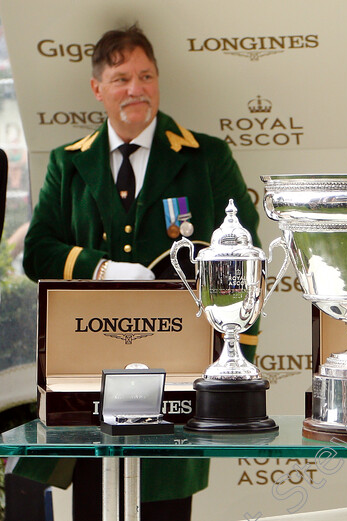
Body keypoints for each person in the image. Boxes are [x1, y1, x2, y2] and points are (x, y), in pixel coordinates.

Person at [18, 24, 261, 520]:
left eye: (146, 76)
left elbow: (244, 259)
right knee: (95, 493)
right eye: (122, 77)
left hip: (179, 360)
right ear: (97, 89)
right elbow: (37, 251)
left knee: (165, 490)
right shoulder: (68, 164)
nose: (136, 89)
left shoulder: (205, 157)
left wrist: (236, 359)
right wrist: (103, 268)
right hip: (89, 363)